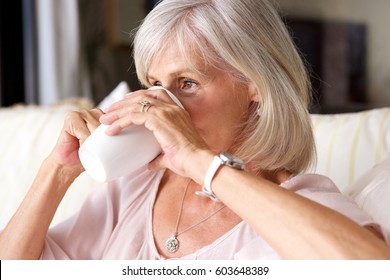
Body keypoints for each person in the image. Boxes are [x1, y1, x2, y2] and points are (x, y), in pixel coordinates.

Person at [1, 0, 390, 260]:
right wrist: (56, 172)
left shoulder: (298, 202)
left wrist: (202, 163)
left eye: (187, 83)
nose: (161, 107)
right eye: (155, 84)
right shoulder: (134, 189)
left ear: (256, 86)